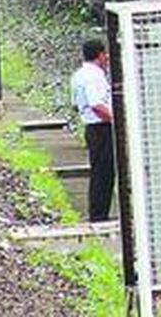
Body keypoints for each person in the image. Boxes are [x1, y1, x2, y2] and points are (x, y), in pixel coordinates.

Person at [70, 38, 114, 222]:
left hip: (91, 127)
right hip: (101, 128)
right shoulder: (95, 76)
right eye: (105, 54)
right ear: (100, 55)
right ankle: (99, 215)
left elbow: (75, 104)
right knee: (104, 173)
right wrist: (116, 119)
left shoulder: (78, 75)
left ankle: (98, 213)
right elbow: (96, 104)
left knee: (99, 170)